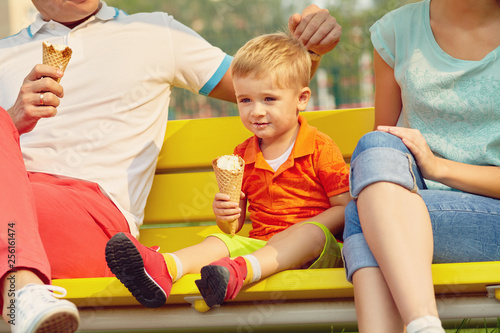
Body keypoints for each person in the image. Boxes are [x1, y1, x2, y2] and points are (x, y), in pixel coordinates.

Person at [0, 1, 343, 332]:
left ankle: (19, 293)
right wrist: (14, 119)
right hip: (15, 221)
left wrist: (310, 49)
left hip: (89, 220)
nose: (256, 108)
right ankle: (23, 291)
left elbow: (264, 85)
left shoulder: (155, 32)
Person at [105, 31, 351, 311]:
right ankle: (165, 268)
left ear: (301, 99)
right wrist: (226, 215)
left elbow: (345, 209)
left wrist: (300, 230)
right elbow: (233, 227)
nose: (256, 111)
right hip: (261, 248)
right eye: (245, 100)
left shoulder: (319, 147)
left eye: (269, 99)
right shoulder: (242, 156)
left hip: (318, 251)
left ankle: (237, 272)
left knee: (310, 234)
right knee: (218, 241)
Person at [341, 0, 500, 332]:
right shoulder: (395, 31)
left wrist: (438, 167)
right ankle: (423, 324)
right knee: (375, 146)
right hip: (417, 208)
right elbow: (382, 160)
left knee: (367, 216)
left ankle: (423, 325)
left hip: (492, 216)